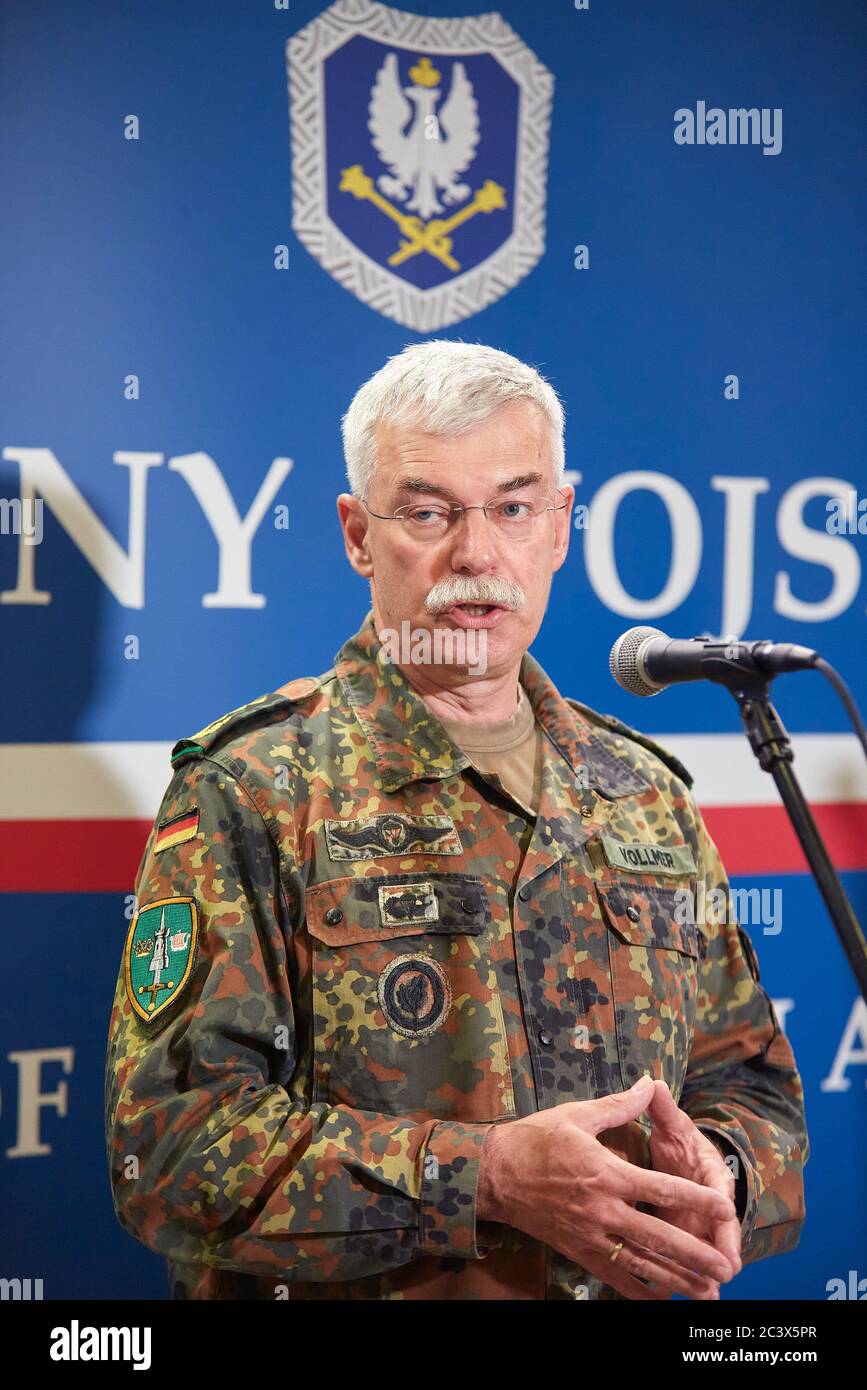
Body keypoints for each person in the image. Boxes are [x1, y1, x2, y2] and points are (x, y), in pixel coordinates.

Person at [104, 340, 807, 1300]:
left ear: (560, 526)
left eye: (513, 508)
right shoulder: (253, 788)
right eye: (428, 512)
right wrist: (485, 1178)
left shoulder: (647, 794)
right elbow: (169, 1152)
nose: (475, 553)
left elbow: (754, 1091)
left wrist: (715, 1173)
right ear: (357, 534)